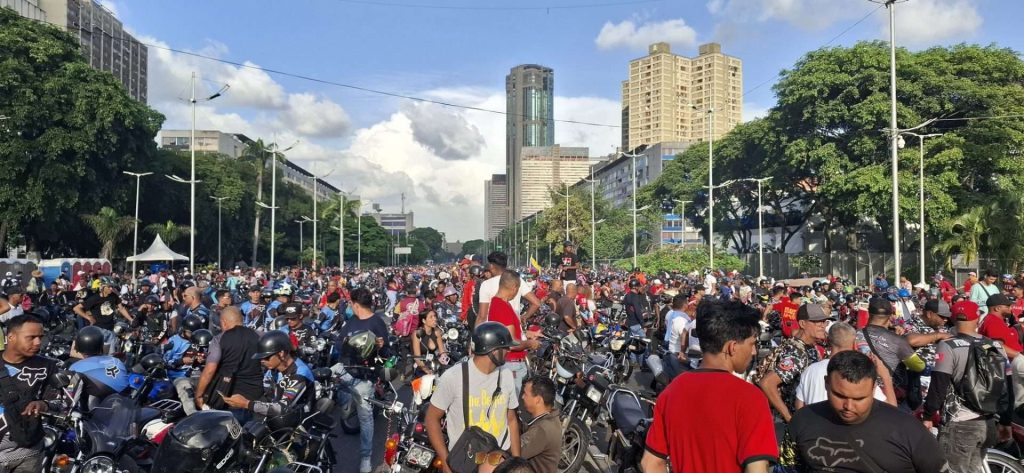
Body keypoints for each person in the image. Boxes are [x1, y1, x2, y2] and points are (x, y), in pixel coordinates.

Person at [640, 299, 778, 473]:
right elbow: (757, 469)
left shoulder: (672, 391)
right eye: (751, 344)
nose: (754, 352)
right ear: (732, 347)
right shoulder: (750, 398)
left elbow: (650, 464)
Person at [789, 350, 948, 472]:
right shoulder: (802, 420)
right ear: (826, 383)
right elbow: (787, 468)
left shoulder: (910, 430)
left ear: (873, 389)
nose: (849, 406)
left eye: (859, 398)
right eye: (839, 395)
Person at [922, 300, 1008, 473]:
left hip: (960, 423)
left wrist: (928, 415)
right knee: (974, 469)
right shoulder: (995, 345)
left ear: (953, 318)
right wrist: (1005, 421)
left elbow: (939, 384)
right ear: (978, 318)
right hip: (989, 422)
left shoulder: (948, 345)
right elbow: (1004, 386)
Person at [425, 322, 520, 473]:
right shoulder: (453, 377)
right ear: (492, 351)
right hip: (465, 462)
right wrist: (445, 462)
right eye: (505, 347)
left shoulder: (507, 375)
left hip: (499, 462)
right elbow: (431, 419)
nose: (509, 351)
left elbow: (512, 420)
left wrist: (516, 464)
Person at [335, 287, 390, 473]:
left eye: (351, 303)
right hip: (345, 371)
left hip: (365, 377)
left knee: (365, 417)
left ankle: (366, 457)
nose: (350, 306)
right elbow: (338, 342)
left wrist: (380, 347)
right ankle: (350, 401)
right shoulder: (351, 321)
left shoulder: (377, 323)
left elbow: (387, 353)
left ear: (356, 304)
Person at [0, 315, 60, 472]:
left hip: (30, 451)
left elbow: (61, 400)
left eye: (40, 337)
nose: (38, 343)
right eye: (31, 337)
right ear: (11, 337)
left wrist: (43, 404)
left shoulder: (48, 365)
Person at [756, 303, 829, 425]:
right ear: (802, 324)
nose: (822, 325)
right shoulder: (797, 353)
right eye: (817, 322)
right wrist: (789, 418)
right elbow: (767, 383)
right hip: (797, 422)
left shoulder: (809, 346)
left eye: (824, 321)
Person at [794, 322, 895, 410]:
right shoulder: (859, 372)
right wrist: (886, 377)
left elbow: (799, 405)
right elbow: (892, 410)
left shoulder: (810, 370)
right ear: (854, 344)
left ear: (829, 341)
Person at [223, 330, 314, 419]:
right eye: (260, 358)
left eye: (266, 357)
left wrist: (247, 404)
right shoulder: (273, 370)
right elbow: (266, 396)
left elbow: (282, 408)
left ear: (281, 353)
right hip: (277, 419)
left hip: (297, 422)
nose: (262, 361)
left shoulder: (300, 374)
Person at [194, 307, 263, 420]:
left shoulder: (219, 339)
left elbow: (210, 370)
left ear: (223, 322)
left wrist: (199, 395)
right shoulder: (259, 335)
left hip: (229, 394)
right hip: (256, 392)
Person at [486, 270, 539, 395]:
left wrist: (526, 334)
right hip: (511, 364)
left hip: (510, 364)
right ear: (514, 287)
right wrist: (530, 343)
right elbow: (512, 343)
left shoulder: (499, 303)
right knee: (510, 405)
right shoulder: (502, 307)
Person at [978, 293, 1024, 411]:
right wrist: (1018, 356)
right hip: (1012, 361)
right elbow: (997, 346)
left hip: (1012, 362)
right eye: (1007, 306)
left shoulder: (994, 320)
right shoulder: (993, 321)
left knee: (1019, 396)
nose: (1010, 308)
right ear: (997, 308)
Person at [68, 325, 129, 409]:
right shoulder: (117, 361)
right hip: (124, 412)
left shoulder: (77, 367)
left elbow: (70, 398)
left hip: (95, 417)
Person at [477, 252, 542, 326]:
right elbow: (536, 303)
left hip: (495, 332)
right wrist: (524, 317)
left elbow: (482, 316)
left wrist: (475, 335)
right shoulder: (517, 280)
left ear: (491, 266)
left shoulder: (486, 284)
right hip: (515, 331)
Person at [73, 277, 133, 355]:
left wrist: (130, 319)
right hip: (98, 329)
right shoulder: (95, 298)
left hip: (110, 327)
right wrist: (88, 317)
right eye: (109, 287)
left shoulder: (113, 296)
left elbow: (121, 308)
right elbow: (76, 308)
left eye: (112, 287)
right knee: (109, 354)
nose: (111, 289)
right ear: (102, 286)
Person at [518, 376, 561, 473]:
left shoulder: (542, 429)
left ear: (538, 400)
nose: (522, 397)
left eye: (525, 393)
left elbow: (515, 452)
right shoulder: (551, 418)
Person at [412, 309, 447, 376]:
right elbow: (417, 357)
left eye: (435, 316)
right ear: (424, 321)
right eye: (431, 317)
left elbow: (442, 351)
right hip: (421, 365)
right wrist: (426, 369)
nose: (434, 319)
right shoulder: (417, 334)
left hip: (435, 363)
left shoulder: (437, 332)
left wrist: (444, 361)